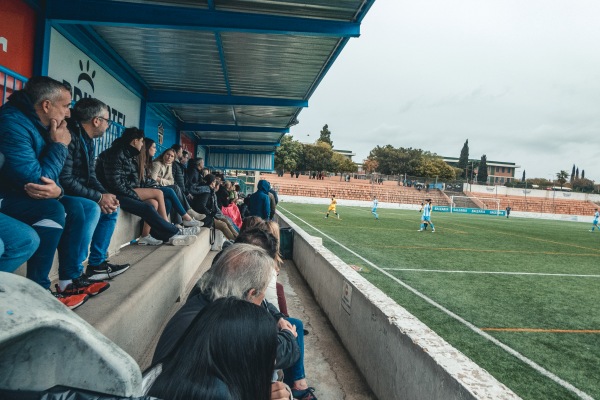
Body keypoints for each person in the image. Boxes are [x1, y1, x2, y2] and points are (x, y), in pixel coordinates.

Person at [0, 76, 107, 308]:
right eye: (66, 106)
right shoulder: (12, 123)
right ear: (46, 105)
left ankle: (68, 280)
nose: (68, 113)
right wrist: (59, 146)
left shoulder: (44, 124)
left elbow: (52, 181)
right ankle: (39, 289)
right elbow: (36, 179)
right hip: (7, 196)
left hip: (25, 193)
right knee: (53, 209)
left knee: (78, 206)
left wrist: (58, 190)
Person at [152, 244, 306, 398]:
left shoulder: (205, 298)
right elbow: (271, 353)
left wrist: (278, 318)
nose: (263, 299)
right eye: (262, 294)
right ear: (251, 293)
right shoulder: (226, 326)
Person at [146, 297, 283, 400]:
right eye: (265, 353)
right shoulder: (219, 394)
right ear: (240, 357)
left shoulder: (165, 371)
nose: (273, 361)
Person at [60, 97, 130, 280]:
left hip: (75, 190)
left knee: (112, 208)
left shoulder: (88, 140)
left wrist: (105, 195)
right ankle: (75, 272)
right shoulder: (70, 134)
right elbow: (65, 180)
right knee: (91, 208)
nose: (108, 125)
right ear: (96, 121)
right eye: (107, 120)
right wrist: (98, 198)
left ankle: (97, 264)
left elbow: (90, 176)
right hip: (60, 192)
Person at [96, 127, 197, 246]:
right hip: (114, 193)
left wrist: (145, 188)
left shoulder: (128, 154)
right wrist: (135, 195)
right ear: (135, 141)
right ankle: (172, 230)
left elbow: (135, 180)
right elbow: (115, 185)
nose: (142, 144)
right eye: (142, 141)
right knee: (159, 194)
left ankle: (148, 236)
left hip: (125, 190)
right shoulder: (117, 154)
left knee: (153, 203)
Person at [143, 139, 204, 225]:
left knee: (169, 200)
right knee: (174, 188)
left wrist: (160, 179)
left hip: (159, 188)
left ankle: (171, 225)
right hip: (153, 189)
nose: (169, 157)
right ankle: (187, 215)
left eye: (172, 156)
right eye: (168, 154)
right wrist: (163, 181)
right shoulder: (157, 164)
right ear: (164, 154)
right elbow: (153, 179)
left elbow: (171, 181)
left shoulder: (169, 166)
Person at [191, 174, 237, 240]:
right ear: (212, 182)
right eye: (215, 181)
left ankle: (237, 238)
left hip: (206, 216)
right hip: (203, 218)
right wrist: (210, 214)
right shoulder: (206, 192)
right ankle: (236, 241)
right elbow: (201, 206)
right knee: (223, 225)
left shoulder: (208, 191)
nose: (215, 183)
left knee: (225, 220)